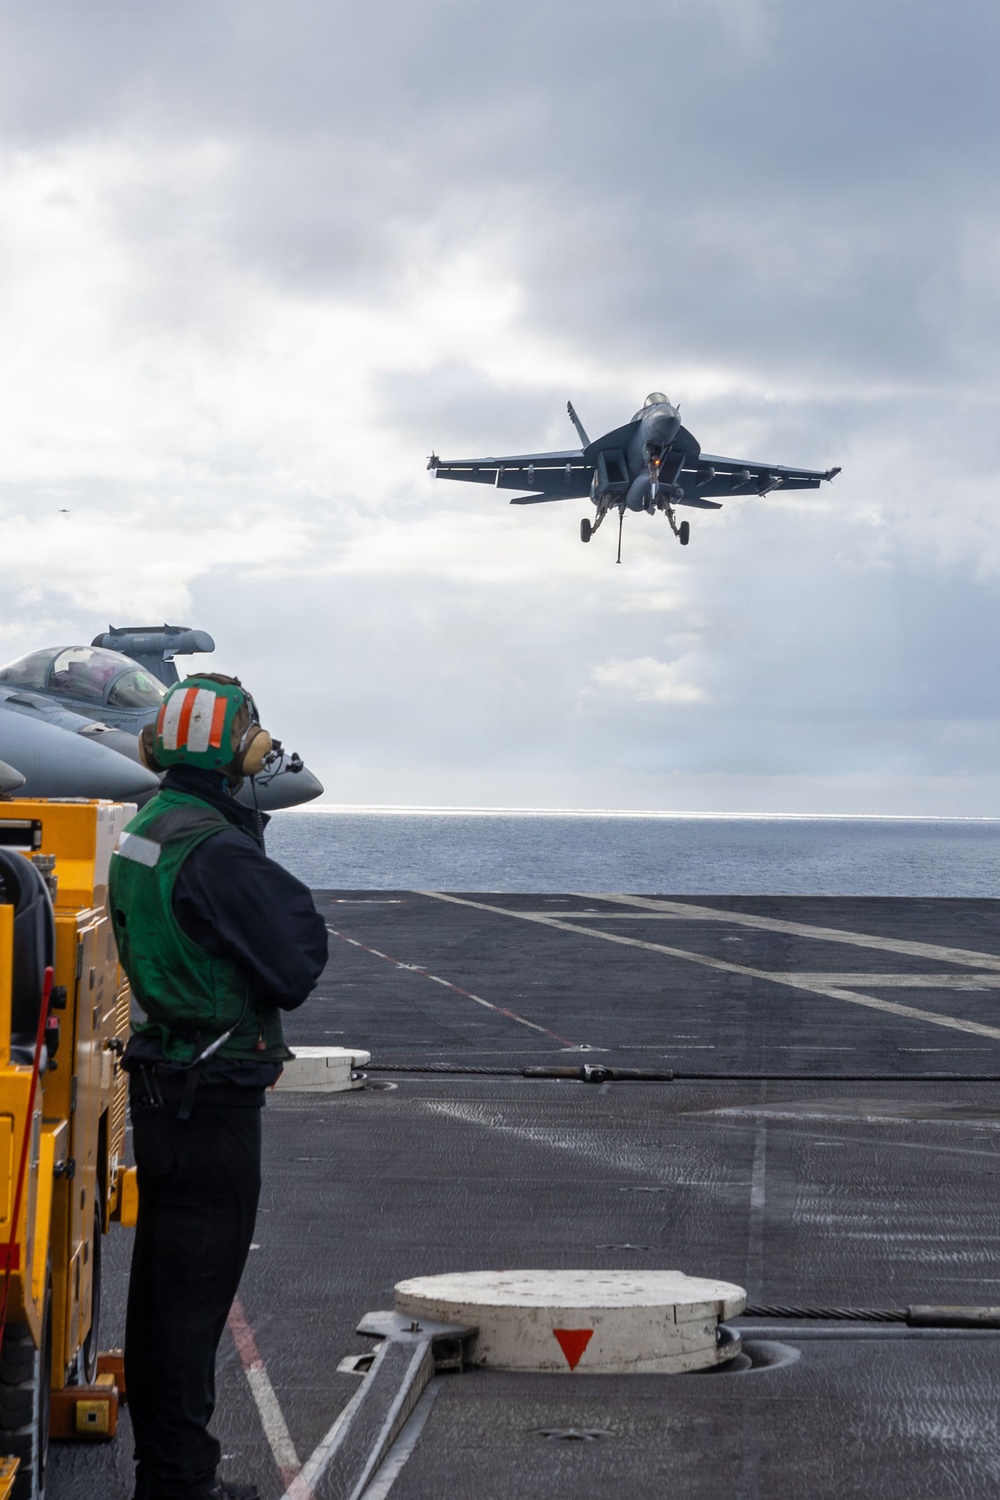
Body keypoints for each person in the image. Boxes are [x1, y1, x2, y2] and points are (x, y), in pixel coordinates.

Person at [108, 673, 329, 1500]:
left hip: (164, 1083)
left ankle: (171, 1474)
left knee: (164, 1292)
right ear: (243, 750)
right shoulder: (218, 849)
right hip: (214, 1099)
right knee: (192, 1302)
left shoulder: (147, 828)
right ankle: (178, 1485)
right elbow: (298, 961)